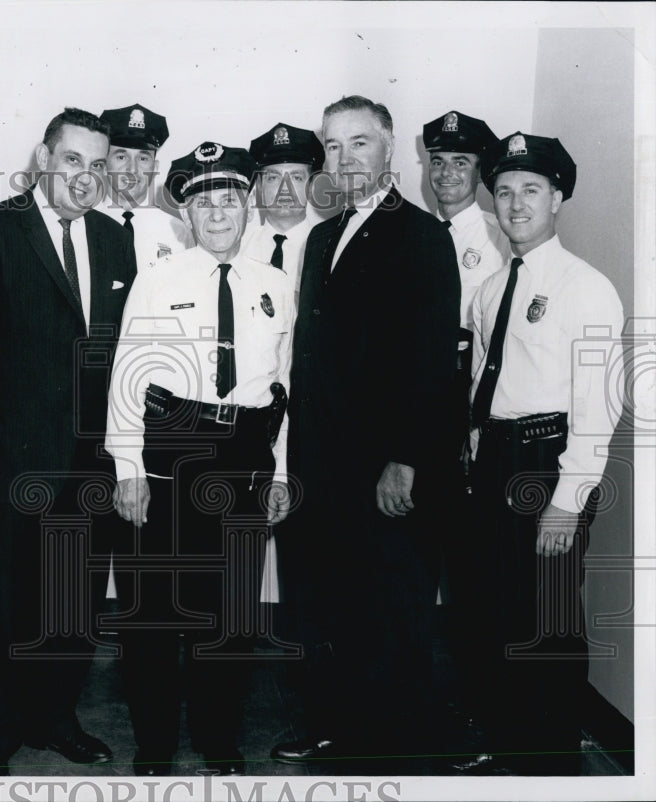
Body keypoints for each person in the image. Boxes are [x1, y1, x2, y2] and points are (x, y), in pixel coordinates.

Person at [0, 108, 137, 776]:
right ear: (44, 158)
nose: (86, 176)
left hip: (88, 463)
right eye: (73, 160)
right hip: (6, 461)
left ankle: (55, 718)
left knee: (72, 604)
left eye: (98, 165)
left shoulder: (113, 239)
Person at [271, 95, 459, 772]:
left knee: (391, 607)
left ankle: (388, 749)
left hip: (382, 465)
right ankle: (335, 729)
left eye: (358, 144)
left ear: (388, 149)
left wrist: (404, 460)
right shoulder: (325, 235)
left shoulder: (421, 236)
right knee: (330, 603)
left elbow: (431, 360)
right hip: (323, 464)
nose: (342, 159)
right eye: (331, 145)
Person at [106, 141, 293, 777]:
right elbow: (127, 374)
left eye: (230, 199)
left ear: (248, 205)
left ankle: (219, 735)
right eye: (204, 201)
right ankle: (155, 740)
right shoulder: (159, 279)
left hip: (245, 451)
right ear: (186, 212)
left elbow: (286, 387)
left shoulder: (275, 284)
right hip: (171, 446)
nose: (218, 212)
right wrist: (129, 469)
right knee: (153, 609)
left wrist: (283, 472)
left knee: (232, 608)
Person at [460, 132, 624, 775]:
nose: (516, 203)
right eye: (503, 191)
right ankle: (506, 746)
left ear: (558, 197)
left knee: (548, 621)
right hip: (496, 463)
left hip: (548, 467)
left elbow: (597, 407)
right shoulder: (493, 286)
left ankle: (552, 763)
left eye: (531, 190)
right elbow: (484, 383)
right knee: (495, 612)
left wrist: (566, 502)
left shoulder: (586, 287)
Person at [421, 109, 509, 725]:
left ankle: (474, 707)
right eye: (439, 161)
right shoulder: (422, 233)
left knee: (469, 571)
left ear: (480, 174)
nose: (447, 173)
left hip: (462, 417)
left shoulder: (494, 243)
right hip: (416, 411)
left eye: (462, 164)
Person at [98, 102, 190, 268]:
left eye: (143, 158)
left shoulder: (179, 233)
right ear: (104, 165)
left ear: (154, 168)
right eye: (121, 157)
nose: (132, 169)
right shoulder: (82, 222)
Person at [243, 122, 325, 302]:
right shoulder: (239, 250)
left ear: (310, 186)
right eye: (273, 178)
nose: (284, 188)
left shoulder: (328, 250)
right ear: (259, 186)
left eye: (296, 177)